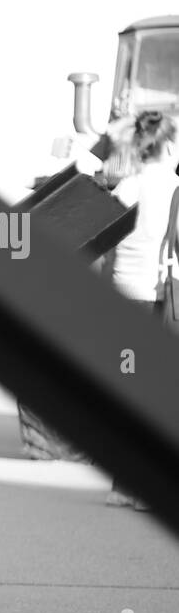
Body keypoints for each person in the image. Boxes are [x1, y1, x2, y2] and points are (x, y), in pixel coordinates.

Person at [106, 110, 179, 508]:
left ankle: (121, 485)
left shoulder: (128, 187)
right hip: (160, 300)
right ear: (169, 144)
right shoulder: (173, 187)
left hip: (123, 296)